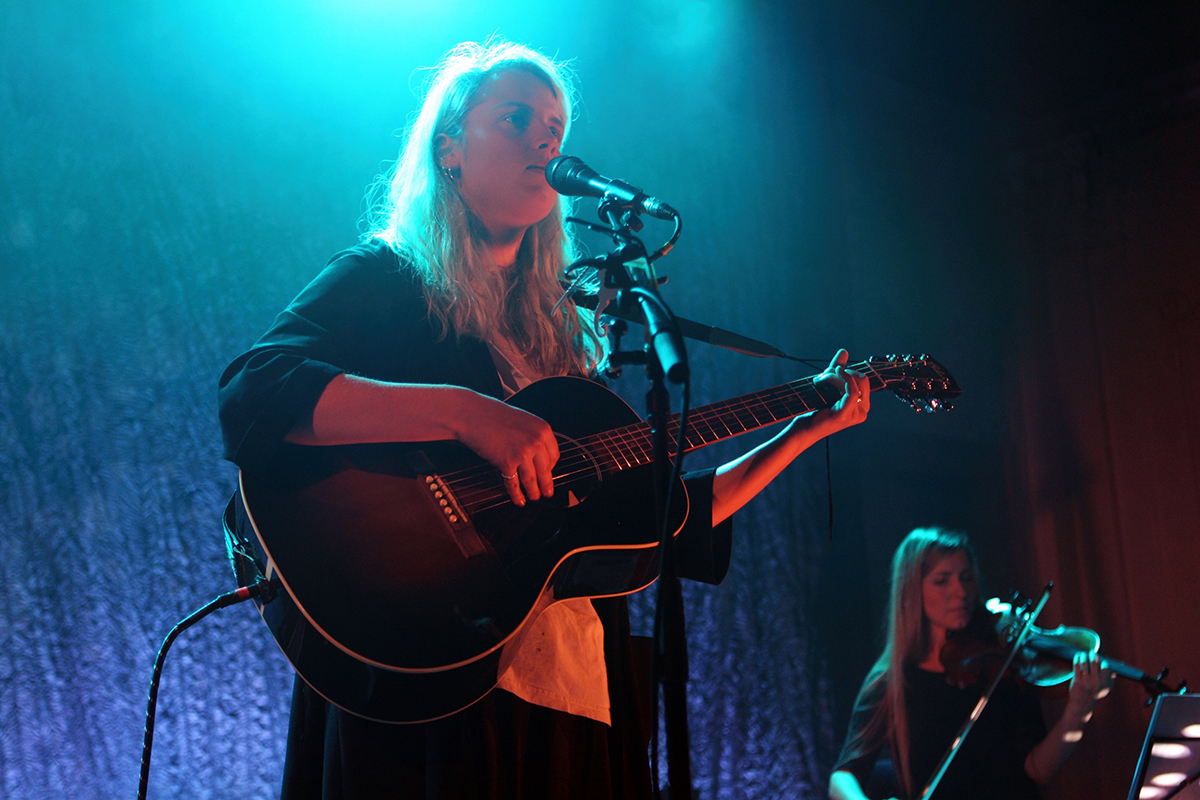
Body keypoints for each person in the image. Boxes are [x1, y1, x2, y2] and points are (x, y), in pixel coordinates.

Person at [219, 40, 870, 799]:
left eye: (556, 126)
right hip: (433, 675)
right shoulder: (385, 278)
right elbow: (254, 391)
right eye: (517, 117)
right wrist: (467, 416)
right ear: (450, 150)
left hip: (572, 692)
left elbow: (659, 517)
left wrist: (805, 427)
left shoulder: (566, 347)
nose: (546, 138)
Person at [828, 528, 1116, 800]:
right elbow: (842, 779)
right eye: (942, 580)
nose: (961, 591)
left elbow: (1040, 770)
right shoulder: (891, 683)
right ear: (911, 591)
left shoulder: (1001, 663)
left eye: (966, 577)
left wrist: (1079, 709)